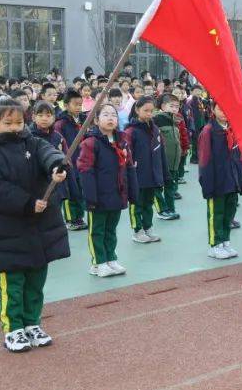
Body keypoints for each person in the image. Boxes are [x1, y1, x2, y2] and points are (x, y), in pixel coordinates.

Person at [0, 98, 69, 353]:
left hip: (40, 226)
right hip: (9, 229)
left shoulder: (33, 142)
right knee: (14, 284)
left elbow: (49, 152)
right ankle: (13, 328)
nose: (16, 127)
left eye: (19, 122)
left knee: (36, 281)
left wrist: (57, 166)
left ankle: (32, 322)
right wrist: (27, 203)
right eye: (8, 123)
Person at [77, 104, 138, 277]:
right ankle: (99, 262)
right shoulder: (90, 143)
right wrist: (91, 198)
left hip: (117, 194)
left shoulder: (122, 140)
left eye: (113, 115)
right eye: (105, 115)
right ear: (96, 120)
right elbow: (85, 171)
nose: (111, 118)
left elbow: (129, 167)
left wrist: (132, 192)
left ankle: (111, 258)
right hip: (98, 196)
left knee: (111, 229)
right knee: (97, 230)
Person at [198, 102, 242, 259]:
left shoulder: (232, 129)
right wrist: (207, 185)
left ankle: (225, 241)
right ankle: (214, 244)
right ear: (213, 110)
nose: (224, 112)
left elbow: (239, 157)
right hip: (217, 181)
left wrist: (241, 180)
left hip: (232, 179)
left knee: (229, 213)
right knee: (216, 213)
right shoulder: (208, 131)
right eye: (220, 108)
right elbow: (204, 160)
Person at [124, 96, 168, 243]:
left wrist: (163, 174)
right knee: (136, 203)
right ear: (137, 110)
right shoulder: (131, 131)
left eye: (152, 111)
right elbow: (127, 154)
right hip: (137, 175)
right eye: (146, 110)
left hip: (152, 174)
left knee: (148, 204)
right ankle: (137, 231)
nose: (149, 114)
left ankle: (148, 228)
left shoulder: (155, 129)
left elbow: (160, 152)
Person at [53, 90, 88, 231]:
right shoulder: (60, 123)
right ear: (66, 105)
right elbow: (58, 142)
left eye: (80, 104)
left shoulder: (84, 119)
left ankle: (79, 217)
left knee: (80, 191)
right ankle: (70, 219)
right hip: (69, 162)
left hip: (82, 160)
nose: (79, 107)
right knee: (70, 191)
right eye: (75, 104)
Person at [152, 94, 182, 221]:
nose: (175, 109)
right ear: (163, 106)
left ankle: (170, 209)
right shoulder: (156, 120)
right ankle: (162, 210)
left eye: (177, 106)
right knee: (158, 187)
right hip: (161, 162)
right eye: (171, 106)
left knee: (171, 186)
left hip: (174, 161)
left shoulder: (175, 121)